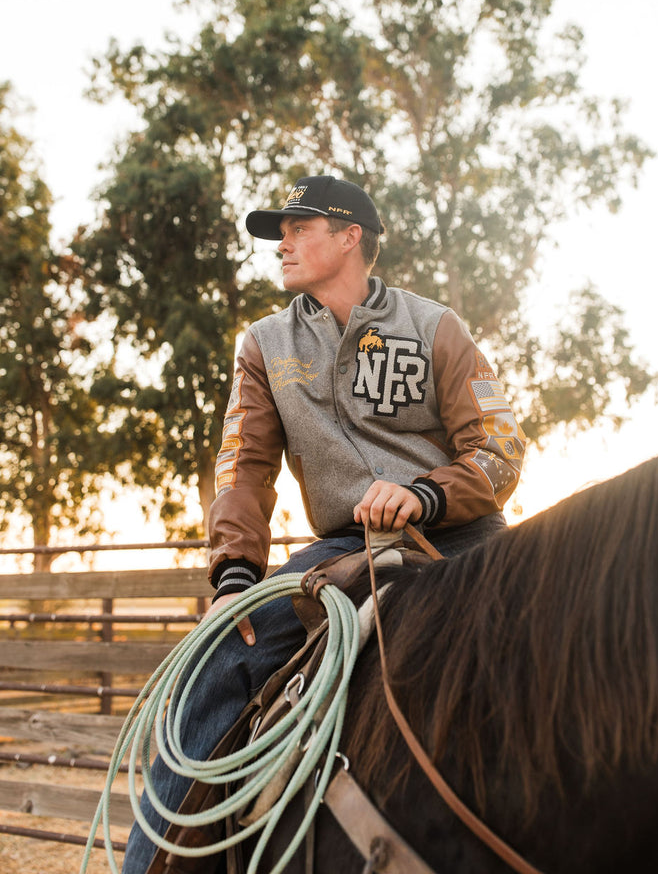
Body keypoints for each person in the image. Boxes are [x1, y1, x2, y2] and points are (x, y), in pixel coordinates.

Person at [123, 175, 526, 873]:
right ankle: (151, 865)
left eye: (299, 227)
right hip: (348, 542)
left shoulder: (436, 326)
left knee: (560, 632)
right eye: (280, 231)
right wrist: (235, 577)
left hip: (460, 532)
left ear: (351, 237)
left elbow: (500, 447)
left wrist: (426, 495)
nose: (283, 242)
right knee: (213, 662)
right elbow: (243, 469)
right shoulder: (264, 344)